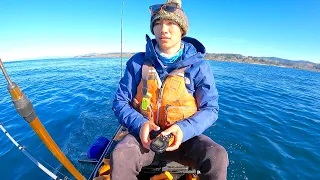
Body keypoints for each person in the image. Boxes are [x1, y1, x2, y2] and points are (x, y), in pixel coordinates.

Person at [111, 0, 229, 179]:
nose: (163, 29)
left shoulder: (199, 67)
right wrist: (139, 124)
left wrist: (183, 129)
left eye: (171, 23)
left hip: (184, 139)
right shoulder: (137, 63)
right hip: (144, 138)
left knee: (218, 156)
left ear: (182, 29)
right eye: (157, 24)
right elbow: (120, 101)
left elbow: (211, 109)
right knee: (120, 155)